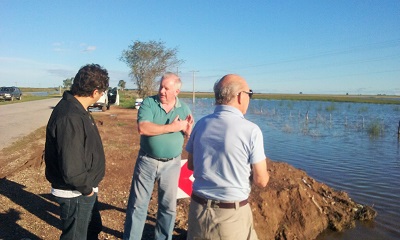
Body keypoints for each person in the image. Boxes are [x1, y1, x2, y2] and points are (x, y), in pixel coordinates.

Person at [185, 74, 270, 240]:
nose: (249, 99)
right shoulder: (251, 131)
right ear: (239, 96)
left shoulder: (201, 124)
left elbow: (191, 165)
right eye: (249, 94)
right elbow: (261, 181)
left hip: (198, 211)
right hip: (231, 216)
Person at [123, 72, 194, 240]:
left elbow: (189, 132)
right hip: (147, 161)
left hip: (172, 164)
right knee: (138, 206)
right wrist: (173, 127)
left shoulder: (184, 109)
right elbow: (143, 128)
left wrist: (188, 132)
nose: (161, 91)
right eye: (161, 86)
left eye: (166, 88)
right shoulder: (149, 103)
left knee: (168, 207)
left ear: (176, 91)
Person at [44, 64, 109, 240]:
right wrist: (87, 190)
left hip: (83, 188)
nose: (102, 95)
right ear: (95, 92)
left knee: (92, 228)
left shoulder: (77, 109)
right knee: (75, 236)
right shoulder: (70, 116)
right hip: (76, 192)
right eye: (102, 92)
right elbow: (72, 168)